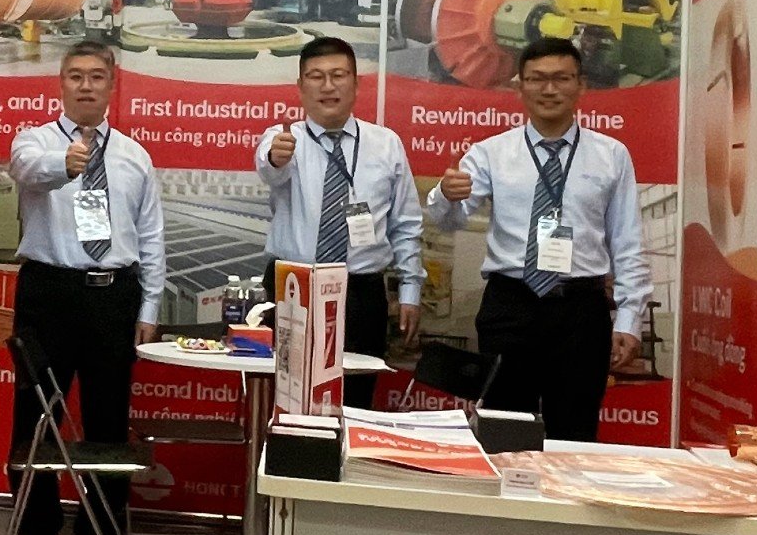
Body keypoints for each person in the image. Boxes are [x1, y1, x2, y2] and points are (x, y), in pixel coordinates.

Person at [425, 36, 650, 441]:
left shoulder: (611, 155)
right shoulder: (491, 153)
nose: (549, 89)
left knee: (575, 433)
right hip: (511, 307)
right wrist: (446, 195)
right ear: (519, 86)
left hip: (581, 311)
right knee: (505, 432)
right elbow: (448, 221)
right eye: (537, 79)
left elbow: (627, 242)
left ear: (581, 85)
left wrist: (630, 317)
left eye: (561, 78)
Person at [6, 41, 164, 535]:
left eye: (97, 76)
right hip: (48, 293)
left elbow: (151, 235)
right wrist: (65, 164)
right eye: (76, 76)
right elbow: (27, 170)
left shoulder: (134, 156)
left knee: (107, 421)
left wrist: (149, 307)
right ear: (61, 83)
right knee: (36, 418)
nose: (86, 85)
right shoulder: (34, 141)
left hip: (112, 296)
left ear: (112, 86)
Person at [254, 36, 424, 408]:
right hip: (293, 287)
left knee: (355, 402)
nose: (328, 86)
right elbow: (270, 168)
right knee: (289, 401)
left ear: (356, 83)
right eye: (316, 76)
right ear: (300, 86)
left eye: (338, 75)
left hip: (360, 293)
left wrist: (410, 291)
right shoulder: (283, 138)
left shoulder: (386, 144)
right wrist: (277, 157)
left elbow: (406, 224)